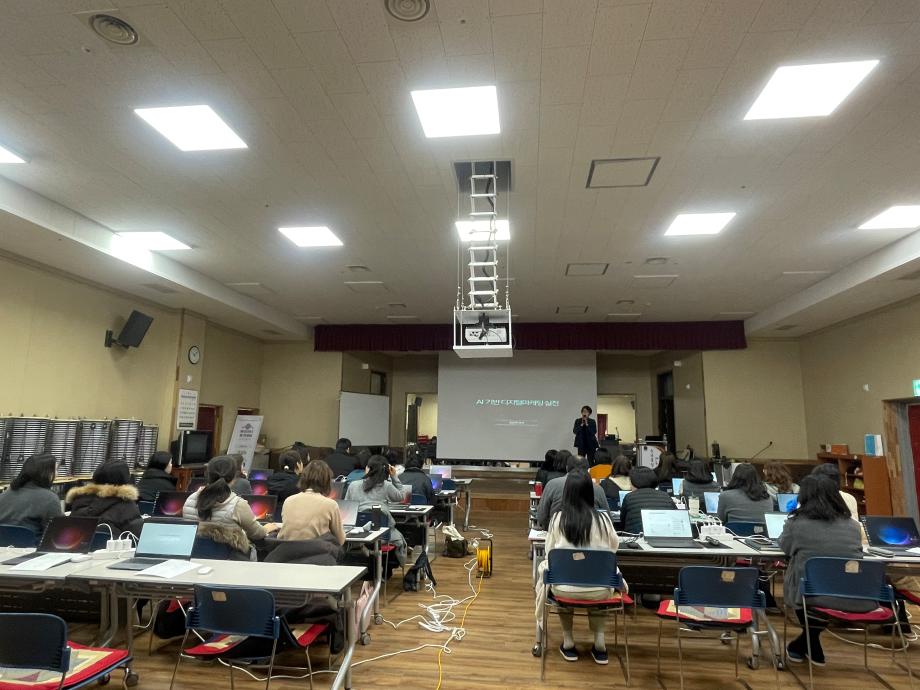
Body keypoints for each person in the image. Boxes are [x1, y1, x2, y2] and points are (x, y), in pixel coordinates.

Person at [534, 470, 626, 665]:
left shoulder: (558, 519)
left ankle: (568, 641)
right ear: (590, 492)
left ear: (567, 492)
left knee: (552, 574)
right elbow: (613, 549)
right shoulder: (604, 520)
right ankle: (599, 642)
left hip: (563, 589)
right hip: (600, 589)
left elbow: (551, 554)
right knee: (598, 580)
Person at [779, 475, 865, 665]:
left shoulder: (796, 524)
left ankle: (801, 645)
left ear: (804, 496)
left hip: (806, 592)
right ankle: (809, 646)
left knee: (801, 577)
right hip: (849, 590)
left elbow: (785, 548)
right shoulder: (853, 526)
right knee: (817, 587)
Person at [183, 455, 278, 559]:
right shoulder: (238, 504)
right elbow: (257, 534)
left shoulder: (190, 500)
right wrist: (266, 529)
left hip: (194, 556)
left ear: (207, 475)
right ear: (234, 477)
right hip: (229, 559)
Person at [345, 455, 411, 565]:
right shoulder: (387, 486)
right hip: (383, 536)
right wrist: (394, 477)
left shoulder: (353, 485)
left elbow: (348, 509)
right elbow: (402, 496)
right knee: (399, 537)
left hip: (359, 535)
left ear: (368, 469)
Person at [66, 461, 143, 537]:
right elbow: (137, 536)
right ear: (125, 480)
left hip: (77, 544)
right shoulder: (126, 504)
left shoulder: (79, 500)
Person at [278, 460, 345, 545]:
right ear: (327, 481)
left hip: (288, 551)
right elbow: (340, 540)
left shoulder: (288, 501)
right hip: (318, 552)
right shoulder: (331, 505)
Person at [536, 452, 608, 529]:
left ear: (567, 468)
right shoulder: (598, 489)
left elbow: (541, 516)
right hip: (590, 532)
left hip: (557, 530)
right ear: (588, 469)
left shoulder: (552, 484)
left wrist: (551, 527)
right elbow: (607, 518)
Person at [0, 453, 62, 536]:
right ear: (47, 473)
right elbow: (56, 532)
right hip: (32, 543)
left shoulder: (6, 493)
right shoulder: (50, 498)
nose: (57, 474)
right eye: (56, 470)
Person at [619, 466, 676, 534]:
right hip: (664, 536)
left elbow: (622, 522)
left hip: (636, 537)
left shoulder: (629, 497)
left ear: (634, 483)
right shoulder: (666, 496)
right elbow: (676, 517)